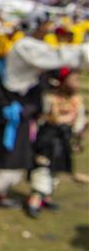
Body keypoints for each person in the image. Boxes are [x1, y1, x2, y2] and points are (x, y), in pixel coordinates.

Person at [0, 13, 88, 216]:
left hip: (22, 112)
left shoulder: (32, 47)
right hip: (9, 114)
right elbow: (57, 57)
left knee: (17, 155)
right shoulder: (26, 47)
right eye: (46, 25)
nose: (49, 29)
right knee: (4, 157)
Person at [25, 67, 85, 217]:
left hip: (64, 140)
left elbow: (79, 122)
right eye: (74, 79)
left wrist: (78, 137)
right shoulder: (49, 98)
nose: (78, 83)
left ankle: (47, 195)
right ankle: (35, 197)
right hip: (47, 139)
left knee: (57, 168)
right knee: (42, 166)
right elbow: (40, 118)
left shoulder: (77, 100)